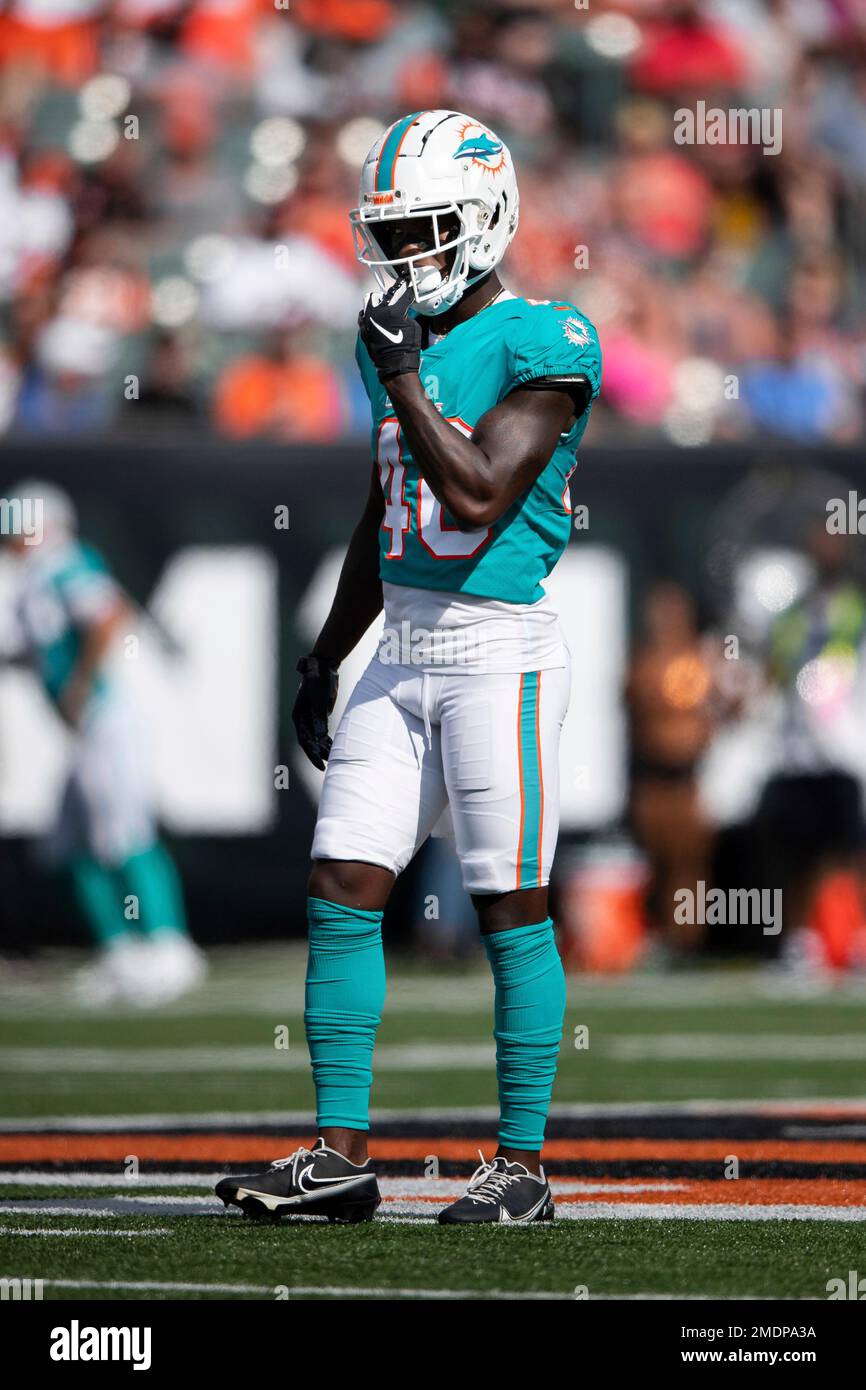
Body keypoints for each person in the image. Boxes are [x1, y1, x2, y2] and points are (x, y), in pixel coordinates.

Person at [216, 110, 601, 1225]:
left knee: (507, 906)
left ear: (485, 221)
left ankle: (521, 1167)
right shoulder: (398, 348)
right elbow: (384, 511)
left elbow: (477, 494)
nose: (404, 257)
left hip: (499, 654)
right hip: (402, 646)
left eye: (428, 229)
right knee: (341, 882)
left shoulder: (548, 339)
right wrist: (324, 655)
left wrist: (398, 381)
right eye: (390, 233)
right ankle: (339, 1156)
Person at [3, 481, 206, 1006]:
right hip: (87, 729)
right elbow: (37, 650)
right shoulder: (34, 580)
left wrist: (78, 686)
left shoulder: (65, 562)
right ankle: (121, 954)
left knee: (124, 830)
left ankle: (170, 947)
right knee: (72, 841)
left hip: (111, 718)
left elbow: (107, 615)